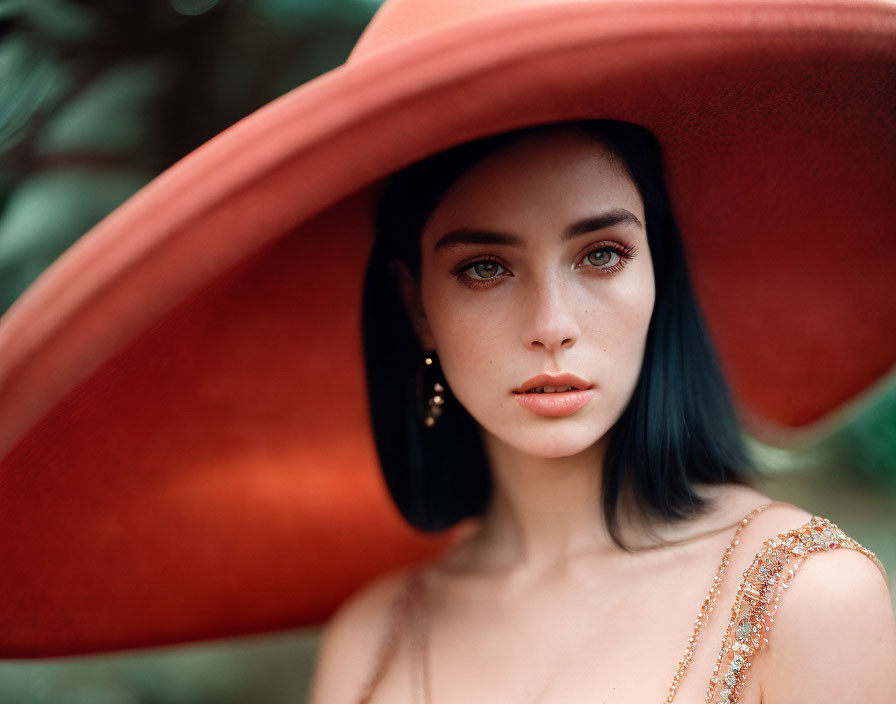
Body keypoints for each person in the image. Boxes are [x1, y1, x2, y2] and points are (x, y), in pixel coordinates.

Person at [307, 117, 895, 703]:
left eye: (602, 255)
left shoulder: (803, 596)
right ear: (417, 309)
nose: (552, 326)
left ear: (657, 272)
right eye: (486, 267)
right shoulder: (370, 642)